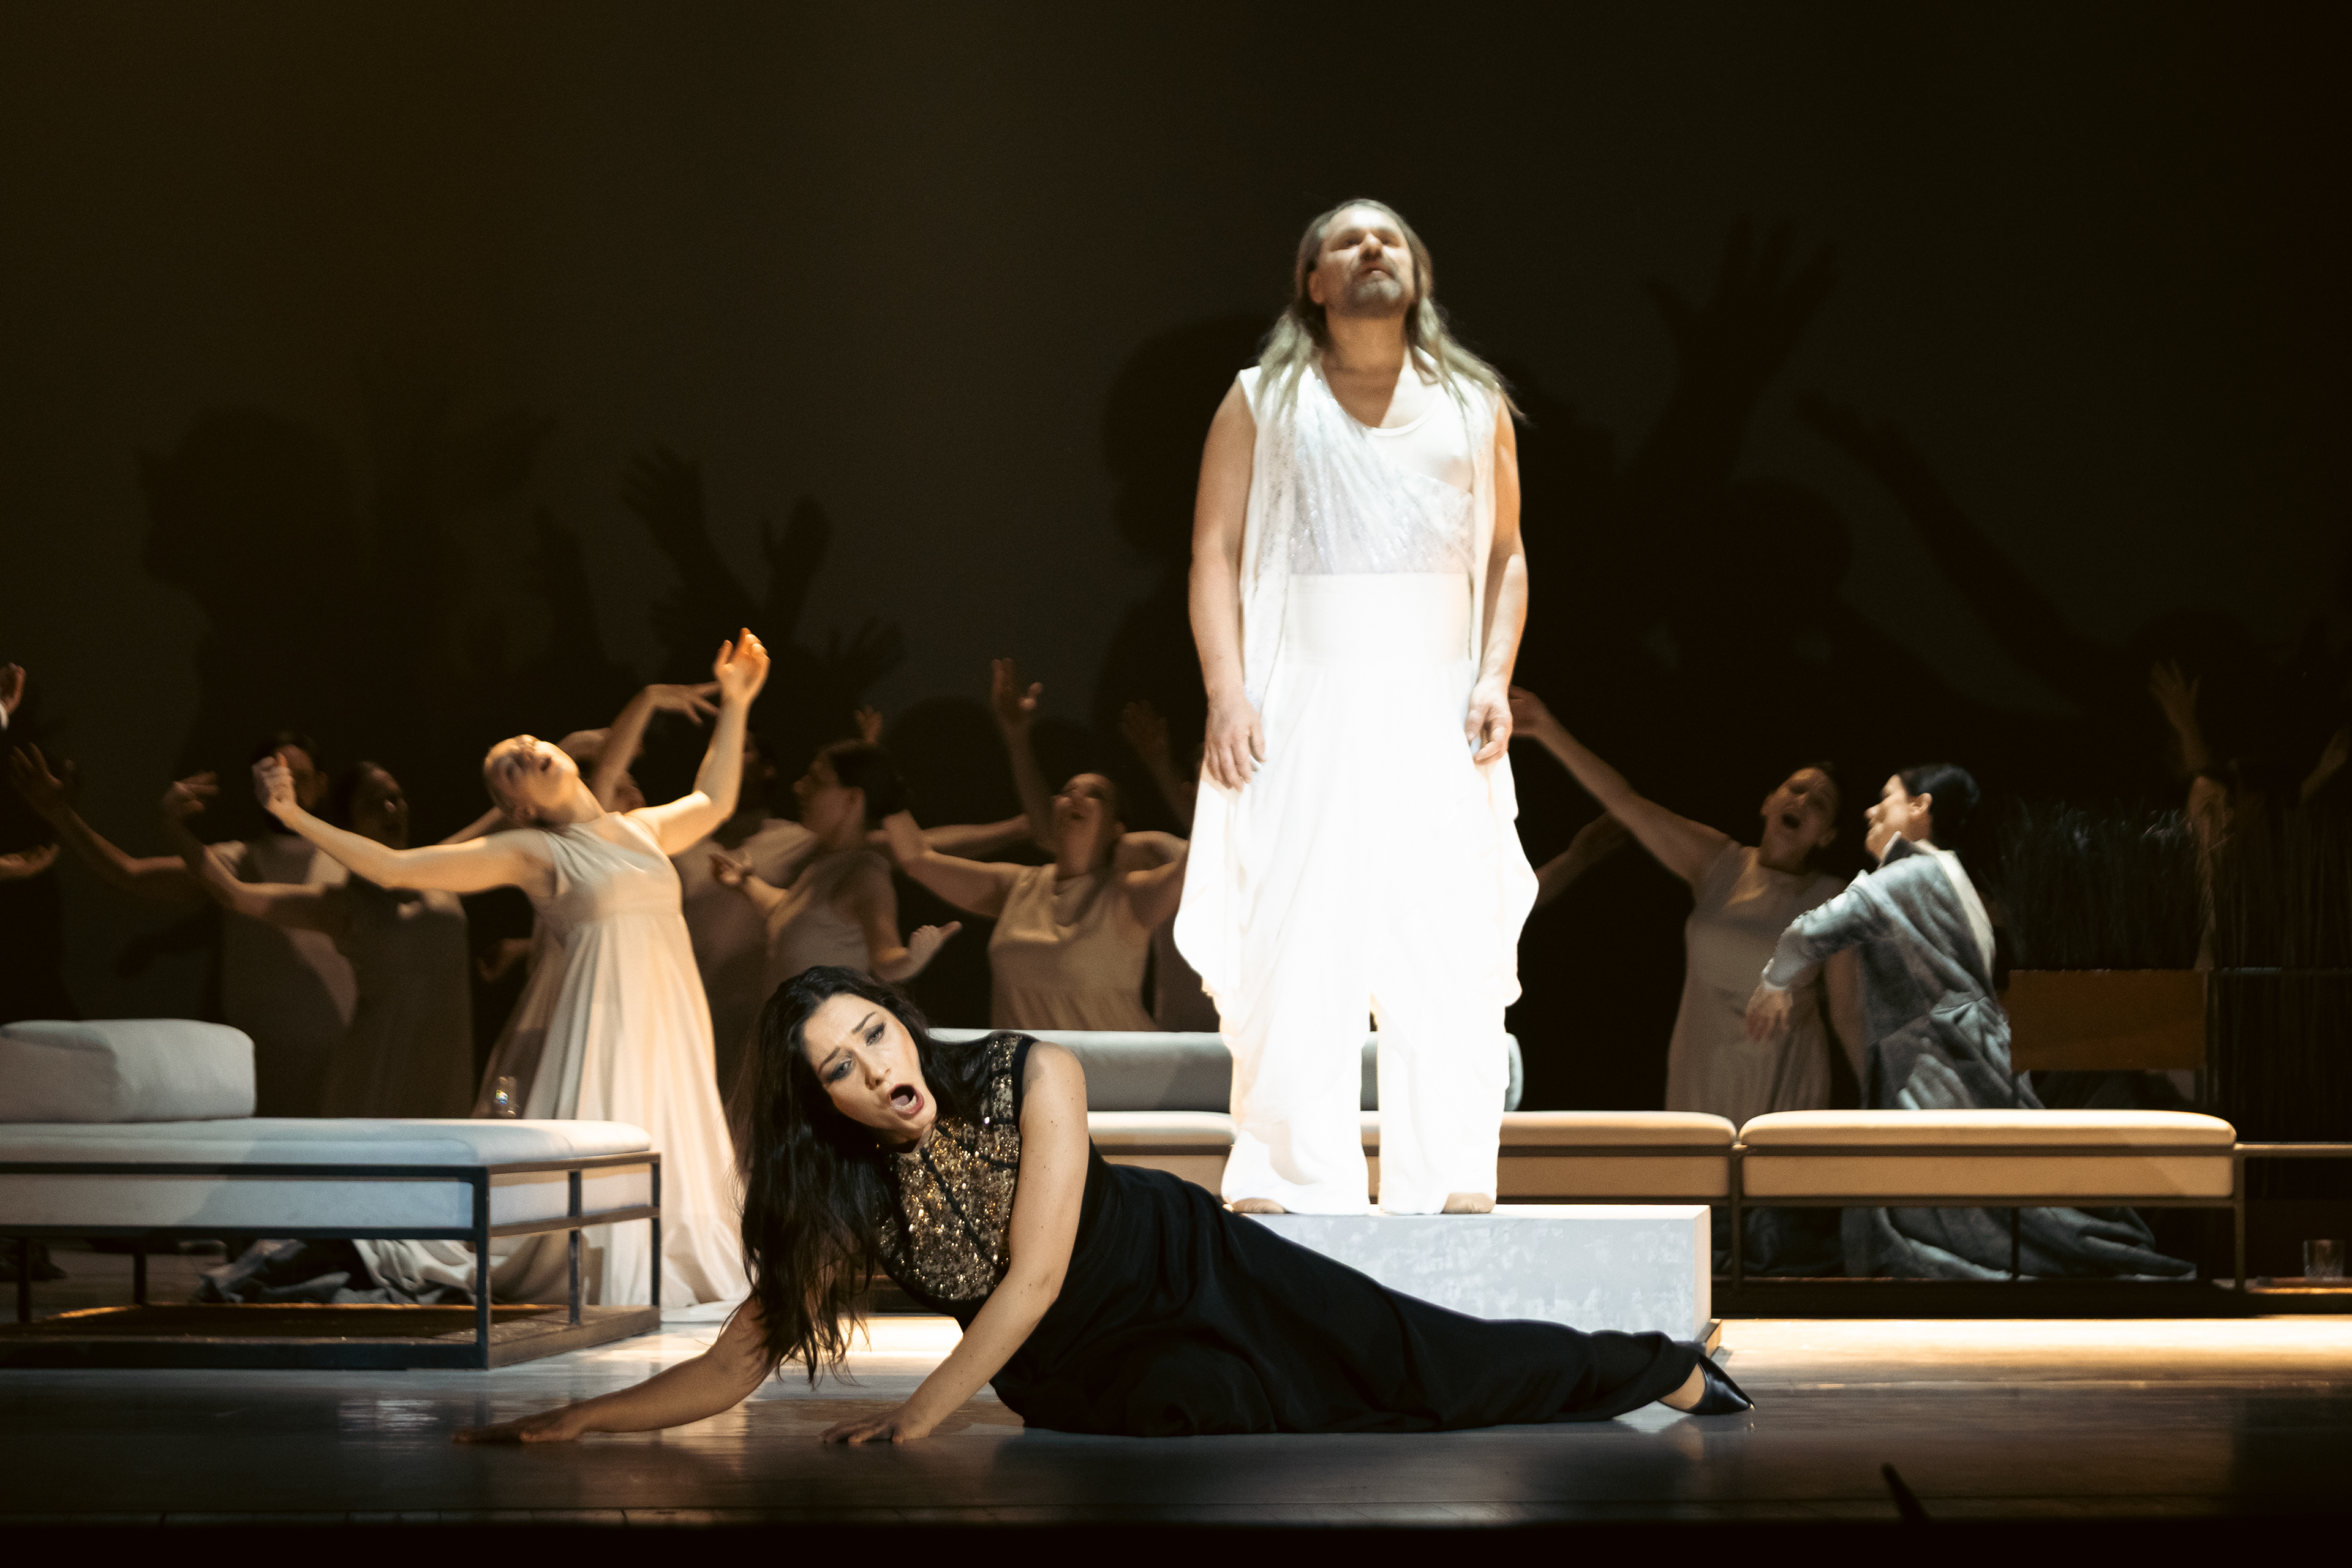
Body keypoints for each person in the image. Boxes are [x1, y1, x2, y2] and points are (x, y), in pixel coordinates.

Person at [454, 967, 1745, 1445]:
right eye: (839, 1067)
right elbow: (737, 1357)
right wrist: (576, 1420)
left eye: (873, 1033)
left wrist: (918, 1416)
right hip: (1089, 1371)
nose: (873, 1067)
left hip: (1199, 1268)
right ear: (823, 1100)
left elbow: (1030, 1274)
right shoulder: (849, 1193)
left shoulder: (1030, 1073)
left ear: (901, 1018)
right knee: (1212, 1408)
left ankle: (1660, 1365)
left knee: (1422, 1358)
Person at [1174, 199, 1537, 1216]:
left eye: (1392, 239)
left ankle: (1449, 1177)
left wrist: (1493, 677)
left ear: (1418, 275)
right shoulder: (1263, 399)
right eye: (1349, 239)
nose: (1374, 247)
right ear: (1315, 282)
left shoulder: (1473, 404)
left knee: (1445, 940)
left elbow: (1506, 554)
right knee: (1300, 937)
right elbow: (1214, 552)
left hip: (1437, 708)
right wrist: (1226, 691)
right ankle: (1294, 1181)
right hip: (1302, 703)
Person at [247, 630, 773, 1310]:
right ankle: (339, 1251)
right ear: (518, 807)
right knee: (598, 1163)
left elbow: (715, 799)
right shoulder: (532, 851)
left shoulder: (640, 830)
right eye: (509, 767)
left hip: (666, 1022)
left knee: (672, 1150)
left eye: (526, 744)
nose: (524, 749)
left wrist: (736, 702)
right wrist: (293, 815)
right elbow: (396, 869)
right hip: (605, 1026)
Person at [1745, 765, 2191, 1280]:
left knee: (1944, 1209)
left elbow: (1811, 932)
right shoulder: (1954, 878)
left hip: (1934, 1066)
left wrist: (1775, 982)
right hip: (1975, 1052)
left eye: (1886, 798)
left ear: (1920, 807)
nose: (1871, 811)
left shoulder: (1908, 876)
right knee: (1996, 1201)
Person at [1508, 688, 1859, 1129]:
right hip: (1703, 1068)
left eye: (1819, 804)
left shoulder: (1832, 898)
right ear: (1768, 802)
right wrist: (1546, 728)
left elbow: (1847, 1014)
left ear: (1826, 836)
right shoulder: (1719, 862)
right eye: (1796, 789)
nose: (1802, 802)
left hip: (1781, 1081)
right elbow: (1626, 802)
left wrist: (1878, 1096)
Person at [9, 730, 356, 1115]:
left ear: (321, 784)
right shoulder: (236, 863)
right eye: (275, 776)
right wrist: (61, 814)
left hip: (347, 1059)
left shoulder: (354, 868)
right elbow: (130, 873)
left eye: (300, 778)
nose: (286, 787)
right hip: (261, 1068)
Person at [159, 763, 474, 1118]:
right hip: (380, 1071)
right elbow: (234, 893)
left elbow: (508, 817)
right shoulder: (343, 905)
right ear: (348, 828)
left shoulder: (439, 865)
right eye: (373, 804)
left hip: (445, 1068)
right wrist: (173, 825)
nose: (390, 809)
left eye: (395, 798)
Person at [884, 757, 1187, 1031]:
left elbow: (1194, 867)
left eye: (1095, 794)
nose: (1076, 797)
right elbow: (917, 860)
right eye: (1067, 792)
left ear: (1116, 829)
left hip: (1114, 1071)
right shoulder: (1018, 886)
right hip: (1028, 1071)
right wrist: (883, 786)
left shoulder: (1127, 895)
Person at [711, 739, 959, 996]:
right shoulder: (826, 866)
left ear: (852, 798)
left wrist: (911, 960)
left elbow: (885, 959)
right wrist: (745, 882)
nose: (799, 787)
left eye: (817, 781)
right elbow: (790, 910)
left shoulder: (866, 875)